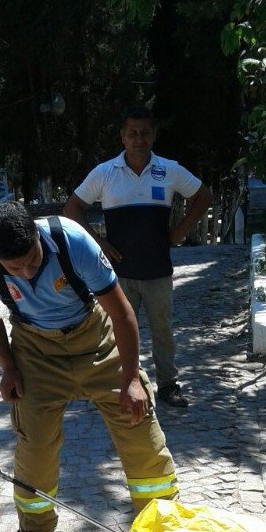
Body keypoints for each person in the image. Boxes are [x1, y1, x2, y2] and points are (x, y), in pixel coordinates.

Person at [0, 200, 178, 532]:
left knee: (140, 429)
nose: (28, 272)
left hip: (96, 340)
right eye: (15, 268)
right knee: (35, 447)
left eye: (32, 260)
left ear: (37, 235)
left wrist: (131, 378)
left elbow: (121, 311)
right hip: (35, 352)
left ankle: (163, 527)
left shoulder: (72, 240)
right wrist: (8, 367)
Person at [64, 105, 213, 408]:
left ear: (153, 136)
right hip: (117, 274)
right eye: (132, 133)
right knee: (116, 329)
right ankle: (120, 385)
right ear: (122, 137)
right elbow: (72, 209)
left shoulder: (168, 170)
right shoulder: (105, 173)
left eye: (145, 133)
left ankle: (168, 385)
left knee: (163, 331)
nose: (138, 139)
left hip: (158, 269)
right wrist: (99, 243)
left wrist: (179, 232)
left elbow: (203, 197)